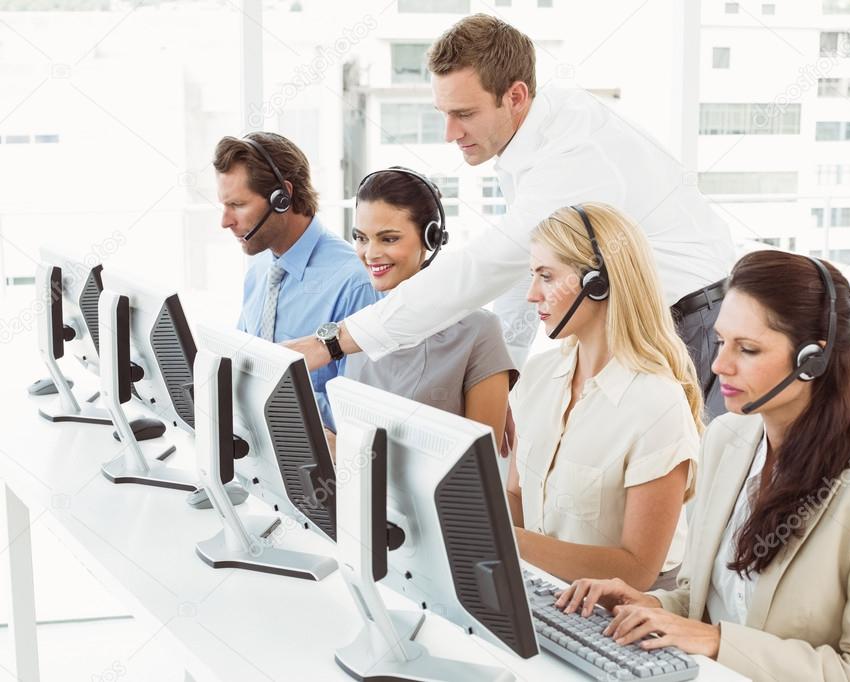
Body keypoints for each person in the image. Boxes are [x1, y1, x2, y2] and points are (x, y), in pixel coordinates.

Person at [285, 13, 735, 426]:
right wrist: (509, 377)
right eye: (444, 114)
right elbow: (526, 268)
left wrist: (335, 341)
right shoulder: (533, 135)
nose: (450, 133)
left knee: (685, 496)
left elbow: (487, 265)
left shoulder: (571, 154)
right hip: (651, 324)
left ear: (515, 96)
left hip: (687, 326)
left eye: (464, 114)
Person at [555, 251, 850, 682]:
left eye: (748, 349)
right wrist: (649, 606)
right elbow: (701, 599)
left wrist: (718, 642)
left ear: (812, 360)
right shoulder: (726, 439)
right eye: (721, 342)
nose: (719, 366)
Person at [507, 203, 704, 592]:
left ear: (598, 283)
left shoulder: (655, 404)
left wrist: (508, 542)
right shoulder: (537, 376)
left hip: (621, 613)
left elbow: (638, 569)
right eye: (533, 276)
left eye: (547, 277)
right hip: (539, 593)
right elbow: (516, 494)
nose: (532, 295)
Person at [340, 167, 516, 450]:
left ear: (431, 239)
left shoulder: (479, 331)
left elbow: (481, 472)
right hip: (357, 490)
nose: (370, 254)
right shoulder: (361, 322)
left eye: (389, 238)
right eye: (361, 237)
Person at [214, 132, 379, 430]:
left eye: (237, 205)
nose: (225, 221)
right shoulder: (259, 269)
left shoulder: (354, 282)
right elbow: (242, 364)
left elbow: (359, 414)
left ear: (282, 198)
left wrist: (266, 399)